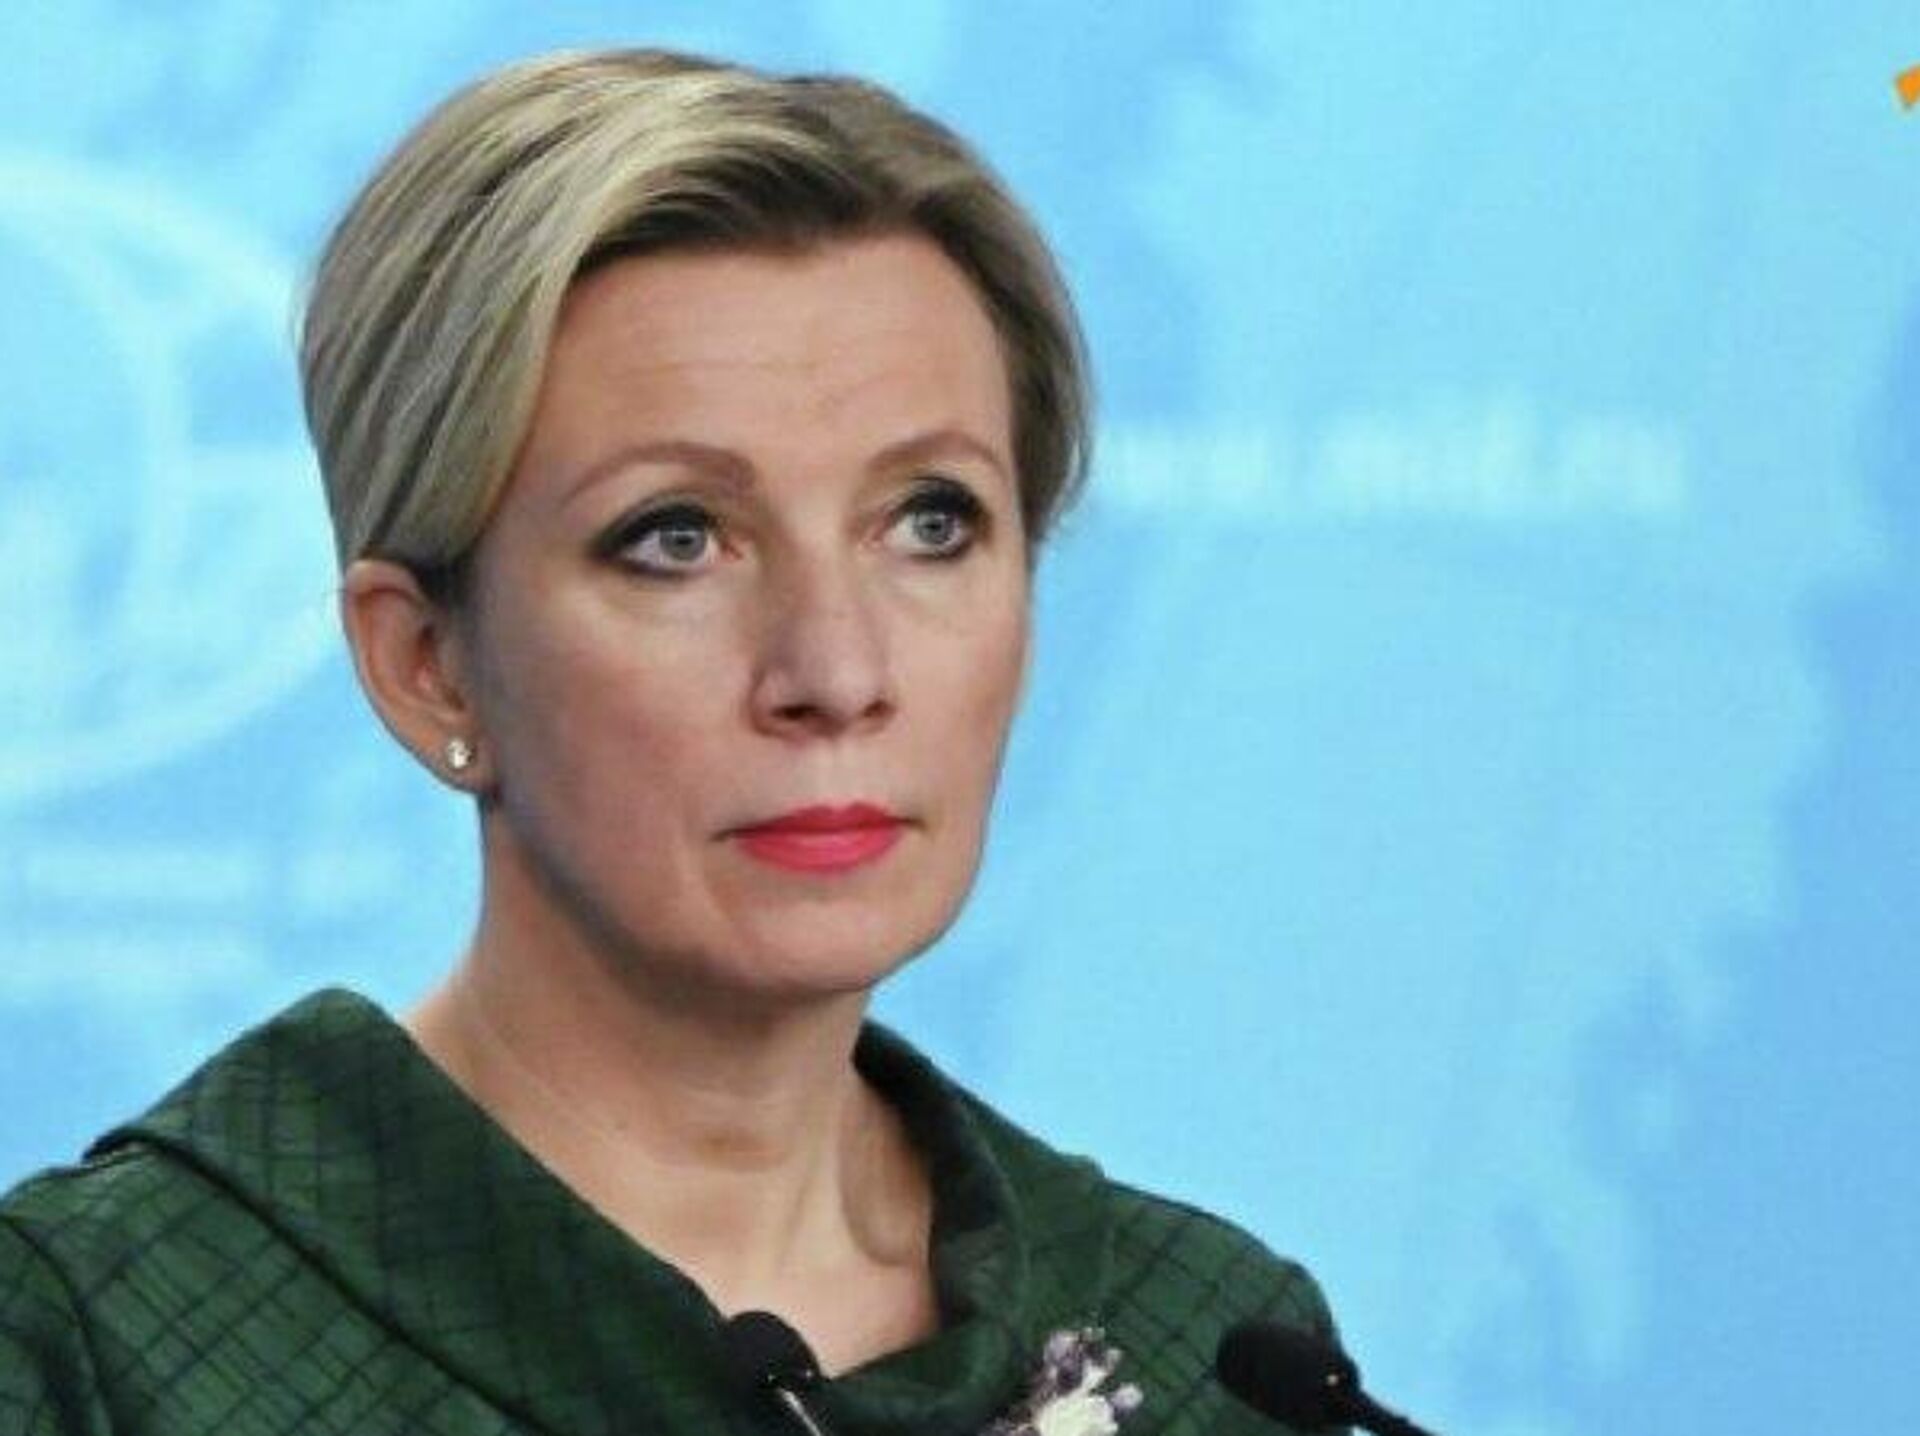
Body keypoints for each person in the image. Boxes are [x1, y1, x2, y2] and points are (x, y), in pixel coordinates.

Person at [0, 48, 1341, 1436]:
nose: (837, 673)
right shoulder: (93, 1347)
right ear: (427, 665)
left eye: (929, 522)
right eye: (677, 539)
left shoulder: (1216, 1354)